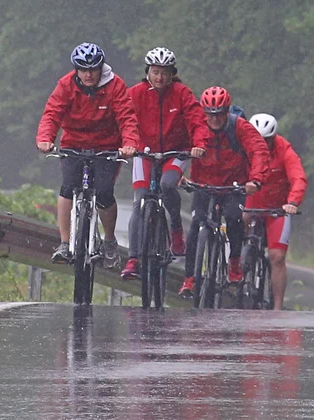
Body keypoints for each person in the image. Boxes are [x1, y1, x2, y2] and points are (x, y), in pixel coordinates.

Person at [36, 42, 140, 268]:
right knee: (67, 188)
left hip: (107, 147)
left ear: (101, 67)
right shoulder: (66, 85)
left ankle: (109, 240)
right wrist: (45, 138)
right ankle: (64, 243)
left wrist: (129, 143)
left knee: (103, 192)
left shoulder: (115, 85)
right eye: (83, 69)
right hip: (73, 144)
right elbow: (52, 113)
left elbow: (127, 117)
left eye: (93, 69)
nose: (88, 74)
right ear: (76, 69)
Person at [121, 47, 209, 280]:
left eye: (165, 73)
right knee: (140, 201)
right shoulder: (136, 93)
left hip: (175, 151)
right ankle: (133, 258)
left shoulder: (182, 93)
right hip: (144, 151)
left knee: (168, 185)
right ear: (147, 72)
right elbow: (124, 119)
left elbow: (197, 120)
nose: (160, 77)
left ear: (173, 74)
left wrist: (198, 144)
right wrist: (127, 144)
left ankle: (176, 230)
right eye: (155, 72)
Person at [179, 86, 269, 297]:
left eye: (219, 114)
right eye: (210, 114)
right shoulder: (196, 126)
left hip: (234, 185)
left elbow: (259, 151)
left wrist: (255, 180)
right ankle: (190, 278)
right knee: (196, 225)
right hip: (204, 185)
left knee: (233, 217)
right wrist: (177, 175)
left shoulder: (239, 128)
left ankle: (234, 262)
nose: (215, 119)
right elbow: (180, 148)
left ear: (227, 111)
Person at [245, 113, 307, 310]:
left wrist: (293, 201)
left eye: (267, 140)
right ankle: (236, 268)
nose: (262, 144)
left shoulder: (284, 150)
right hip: (250, 205)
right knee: (238, 222)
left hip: (277, 209)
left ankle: (277, 309)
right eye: (258, 140)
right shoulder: (243, 148)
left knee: (277, 257)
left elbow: (298, 177)